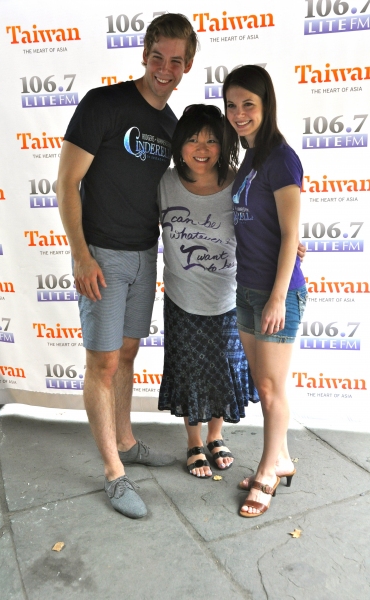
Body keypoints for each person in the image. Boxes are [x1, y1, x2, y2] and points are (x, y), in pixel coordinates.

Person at [56, 14, 198, 519]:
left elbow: (203, 188)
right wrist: (80, 253)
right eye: (157, 56)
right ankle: (114, 474)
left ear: (187, 66)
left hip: (145, 253)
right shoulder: (104, 104)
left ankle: (127, 441)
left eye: (176, 60)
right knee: (103, 362)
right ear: (144, 53)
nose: (165, 68)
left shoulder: (172, 124)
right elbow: (66, 182)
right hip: (103, 255)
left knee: (129, 353)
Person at [223, 65, 307, 517]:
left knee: (272, 390)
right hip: (247, 288)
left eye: (248, 105)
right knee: (265, 385)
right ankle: (284, 458)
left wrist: (278, 296)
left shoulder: (280, 157)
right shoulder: (251, 158)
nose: (239, 114)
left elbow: (291, 233)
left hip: (277, 293)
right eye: (232, 106)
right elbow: (274, 224)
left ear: (266, 105)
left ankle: (267, 471)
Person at [158, 104, 259, 478]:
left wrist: (290, 244)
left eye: (212, 140)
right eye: (193, 139)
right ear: (180, 144)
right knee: (189, 371)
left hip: (227, 299)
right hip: (182, 299)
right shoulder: (164, 183)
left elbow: (262, 224)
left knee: (224, 369)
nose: (202, 148)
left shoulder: (237, 184)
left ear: (224, 145)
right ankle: (193, 442)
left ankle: (216, 436)